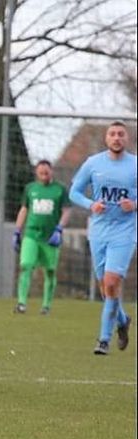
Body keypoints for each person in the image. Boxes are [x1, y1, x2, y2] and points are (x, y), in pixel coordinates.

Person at [69, 120, 137, 355]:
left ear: (126, 139)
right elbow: (74, 192)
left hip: (125, 232)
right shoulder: (93, 163)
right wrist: (91, 204)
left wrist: (134, 205)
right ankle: (123, 320)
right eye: (112, 134)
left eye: (121, 134)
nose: (117, 137)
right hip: (99, 232)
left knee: (111, 283)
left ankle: (103, 340)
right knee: (106, 289)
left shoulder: (135, 165)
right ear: (106, 138)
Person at [12, 159, 71, 315]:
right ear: (36, 173)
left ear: (51, 172)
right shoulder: (30, 189)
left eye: (46, 172)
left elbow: (66, 211)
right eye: (41, 172)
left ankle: (46, 305)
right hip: (31, 235)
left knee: (50, 271)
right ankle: (21, 303)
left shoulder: (60, 190)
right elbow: (24, 209)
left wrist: (59, 229)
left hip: (50, 238)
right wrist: (17, 230)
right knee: (26, 265)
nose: (44, 175)